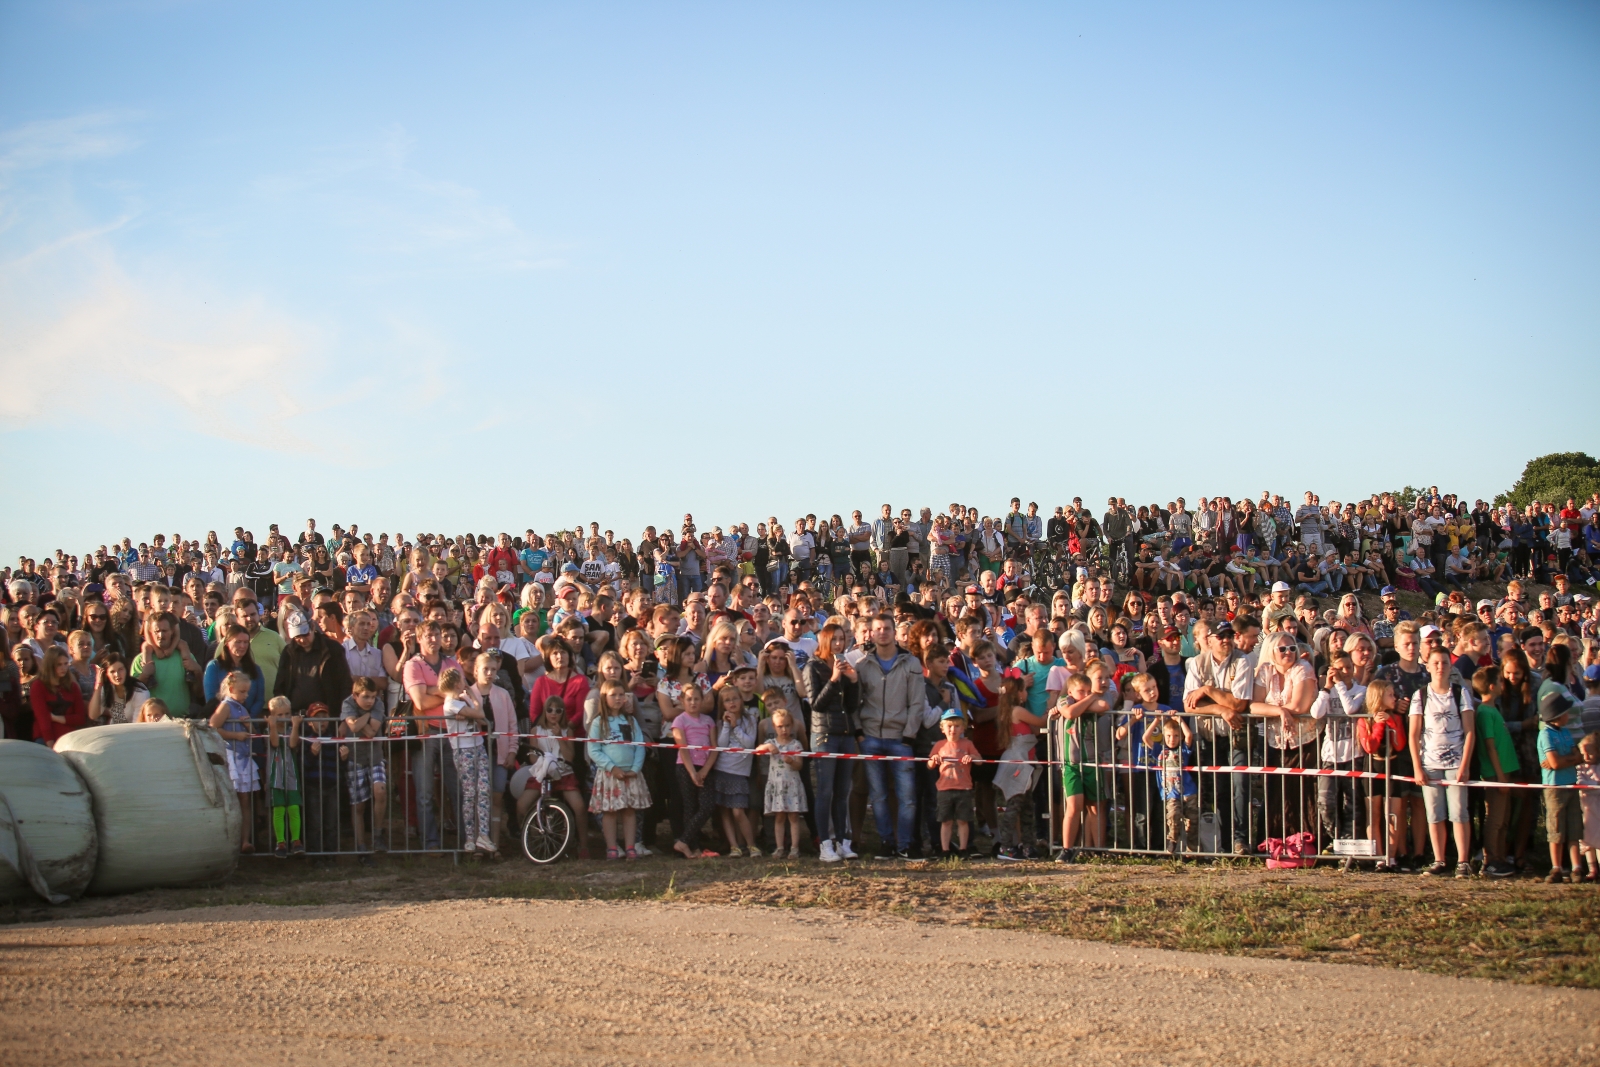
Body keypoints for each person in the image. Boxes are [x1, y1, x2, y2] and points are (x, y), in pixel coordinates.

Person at [855, 613, 927, 859]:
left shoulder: (911, 664)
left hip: (900, 739)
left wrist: (909, 735)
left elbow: (917, 702)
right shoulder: (863, 666)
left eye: (887, 628)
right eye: (878, 629)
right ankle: (886, 842)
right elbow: (854, 702)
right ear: (872, 633)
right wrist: (859, 733)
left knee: (907, 796)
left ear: (894, 632)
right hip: (871, 736)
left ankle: (905, 844)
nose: (883, 633)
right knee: (878, 796)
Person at [1408, 645, 1476, 878]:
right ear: (1428, 666)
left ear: (1450, 666)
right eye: (1435, 663)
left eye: (1444, 663)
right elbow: (1414, 734)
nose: (1440, 667)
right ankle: (1439, 859)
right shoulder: (1420, 695)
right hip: (1430, 763)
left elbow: (1470, 732)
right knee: (1434, 814)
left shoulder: (1461, 693)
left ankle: (1463, 861)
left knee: (1459, 813)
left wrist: (1465, 765)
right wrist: (1417, 766)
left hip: (1456, 762)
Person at [805, 623, 860, 862]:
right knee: (825, 791)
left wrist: (854, 681)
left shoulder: (845, 664)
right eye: (834, 639)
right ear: (825, 641)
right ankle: (824, 843)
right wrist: (835, 679)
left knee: (842, 792)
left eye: (842, 638)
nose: (839, 643)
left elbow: (851, 706)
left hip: (845, 734)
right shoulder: (812, 667)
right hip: (824, 734)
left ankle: (842, 841)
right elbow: (815, 703)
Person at [588, 679, 652, 860]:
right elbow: (593, 749)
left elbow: (639, 745)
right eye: (613, 695)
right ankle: (612, 847)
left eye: (621, 694)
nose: (618, 698)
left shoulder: (630, 721)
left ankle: (630, 846)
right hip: (610, 775)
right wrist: (611, 767)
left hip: (630, 774)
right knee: (610, 812)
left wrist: (635, 768)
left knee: (629, 810)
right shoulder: (598, 723)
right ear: (604, 697)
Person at [438, 665, 493, 854]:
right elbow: (480, 714)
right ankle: (470, 837)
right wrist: (474, 699)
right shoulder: (451, 704)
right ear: (455, 683)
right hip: (464, 751)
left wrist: (470, 699)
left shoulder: (462, 700)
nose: (465, 682)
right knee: (470, 794)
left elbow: (482, 720)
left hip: (478, 746)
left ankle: (483, 835)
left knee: (484, 790)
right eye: (462, 679)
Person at [1470, 666, 1519, 878]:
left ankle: (1499, 857)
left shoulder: (1493, 709)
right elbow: (1490, 746)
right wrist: (1499, 776)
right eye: (1500, 680)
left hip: (1505, 771)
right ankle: (1489, 860)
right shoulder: (1484, 712)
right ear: (1491, 686)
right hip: (1495, 773)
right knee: (1495, 819)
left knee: (1504, 819)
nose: (1503, 683)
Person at [209, 670, 259, 853]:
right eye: (242, 692)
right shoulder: (226, 706)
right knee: (231, 800)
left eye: (247, 692)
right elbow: (213, 727)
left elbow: (252, 732)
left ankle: (245, 840)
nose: (246, 696)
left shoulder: (242, 707)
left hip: (244, 758)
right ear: (231, 689)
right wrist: (235, 735)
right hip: (231, 756)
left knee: (245, 800)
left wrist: (248, 726)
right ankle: (228, 842)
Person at [1536, 688, 1583, 883]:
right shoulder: (1545, 735)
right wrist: (1569, 759)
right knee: (1556, 827)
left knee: (1574, 827)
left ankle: (1576, 866)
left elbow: (1577, 757)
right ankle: (1556, 867)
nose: (1568, 716)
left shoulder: (1565, 732)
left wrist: (1567, 760)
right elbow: (1554, 763)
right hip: (1555, 787)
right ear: (1557, 715)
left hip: (1571, 783)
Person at [340, 675, 389, 858]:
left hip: (375, 757)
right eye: (366, 697)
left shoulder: (378, 703)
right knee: (358, 806)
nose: (370, 701)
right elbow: (353, 728)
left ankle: (377, 836)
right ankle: (360, 844)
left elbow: (371, 731)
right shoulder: (347, 703)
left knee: (381, 791)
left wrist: (360, 720)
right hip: (354, 758)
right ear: (355, 695)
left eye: (373, 697)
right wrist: (367, 717)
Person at [671, 684, 720, 859]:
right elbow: (682, 748)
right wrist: (692, 772)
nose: (693, 702)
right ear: (682, 700)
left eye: (696, 699)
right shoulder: (680, 720)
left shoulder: (708, 721)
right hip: (686, 767)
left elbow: (714, 747)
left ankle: (683, 840)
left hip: (705, 767)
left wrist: (705, 770)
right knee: (689, 806)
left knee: (707, 805)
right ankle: (693, 847)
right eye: (689, 699)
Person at [711, 682, 761, 857]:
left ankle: (751, 844)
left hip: (740, 772)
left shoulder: (750, 720)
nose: (731, 703)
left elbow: (749, 744)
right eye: (727, 700)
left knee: (738, 811)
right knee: (725, 811)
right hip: (723, 769)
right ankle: (734, 846)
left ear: (741, 700)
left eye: (734, 699)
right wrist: (726, 725)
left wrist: (736, 727)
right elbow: (722, 745)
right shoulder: (719, 723)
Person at [927, 708, 980, 856]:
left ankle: (963, 849)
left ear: (963, 728)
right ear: (943, 728)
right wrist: (934, 760)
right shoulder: (939, 745)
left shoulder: (967, 744)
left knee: (963, 820)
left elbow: (980, 760)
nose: (953, 729)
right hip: (944, 789)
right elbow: (929, 765)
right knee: (946, 821)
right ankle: (945, 850)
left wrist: (972, 758)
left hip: (964, 789)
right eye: (949, 726)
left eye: (957, 726)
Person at [757, 705, 807, 858]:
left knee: (793, 817)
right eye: (780, 726)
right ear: (774, 727)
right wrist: (767, 746)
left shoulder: (796, 745)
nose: (784, 729)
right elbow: (758, 750)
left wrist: (792, 762)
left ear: (792, 726)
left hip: (792, 785)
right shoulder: (772, 742)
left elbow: (800, 765)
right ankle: (779, 847)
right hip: (776, 785)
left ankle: (794, 847)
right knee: (779, 817)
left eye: (787, 726)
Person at [1145, 714, 1198, 854]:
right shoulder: (1159, 750)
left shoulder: (1183, 750)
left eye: (1175, 736)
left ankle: (1192, 850)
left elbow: (1189, 736)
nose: (1172, 739)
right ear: (1163, 735)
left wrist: (1180, 720)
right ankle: (1172, 840)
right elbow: (1146, 737)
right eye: (1168, 736)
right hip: (1170, 792)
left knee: (1192, 821)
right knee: (1173, 815)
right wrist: (1157, 720)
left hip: (1188, 790)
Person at [264, 695, 304, 858]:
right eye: (279, 715)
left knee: (293, 807)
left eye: (287, 714)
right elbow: (274, 743)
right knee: (279, 808)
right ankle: (280, 841)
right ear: (272, 715)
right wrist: (273, 727)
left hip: (291, 773)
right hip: (275, 774)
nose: (284, 718)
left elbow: (293, 744)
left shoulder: (291, 728)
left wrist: (295, 727)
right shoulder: (269, 729)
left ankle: (296, 840)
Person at [31, 645, 87, 746]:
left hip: (68, 737)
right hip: (45, 738)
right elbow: (43, 718)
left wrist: (56, 718)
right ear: (50, 665)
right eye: (59, 665)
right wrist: (50, 743)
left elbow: (80, 718)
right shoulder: (38, 686)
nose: (63, 668)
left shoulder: (72, 686)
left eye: (66, 664)